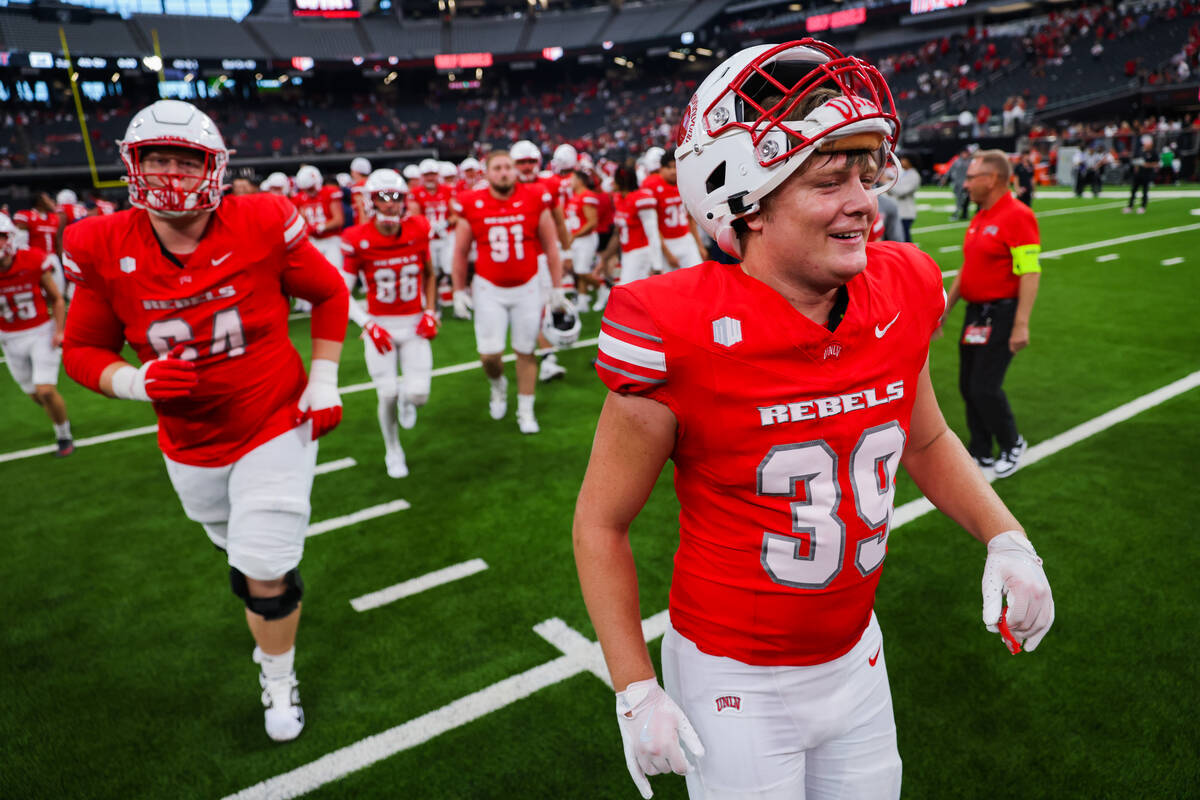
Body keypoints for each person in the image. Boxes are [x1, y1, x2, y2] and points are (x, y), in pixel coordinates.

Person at [573, 40, 1054, 800]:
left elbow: (923, 437)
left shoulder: (901, 286)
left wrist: (1006, 535)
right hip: (733, 679)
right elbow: (600, 523)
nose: (864, 201)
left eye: (866, 175)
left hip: (858, 657)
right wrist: (634, 686)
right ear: (744, 203)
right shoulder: (675, 329)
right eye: (830, 180)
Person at [60, 99, 350, 743]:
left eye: (184, 159)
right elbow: (81, 351)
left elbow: (329, 293)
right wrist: (136, 382)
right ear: (131, 166)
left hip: (275, 413)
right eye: (156, 158)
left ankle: (279, 678)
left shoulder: (263, 219)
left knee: (266, 563)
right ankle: (266, 620)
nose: (169, 173)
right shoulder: (98, 242)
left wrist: (325, 379)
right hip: (189, 441)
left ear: (213, 168)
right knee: (238, 558)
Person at [450, 150, 570, 434]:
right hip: (488, 288)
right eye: (498, 168)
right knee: (489, 356)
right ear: (487, 173)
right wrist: (457, 290)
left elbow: (551, 246)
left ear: (514, 170)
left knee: (525, 351)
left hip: (527, 286)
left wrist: (557, 287)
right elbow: (460, 251)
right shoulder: (472, 202)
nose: (504, 172)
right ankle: (498, 386)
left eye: (507, 167)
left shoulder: (534, 196)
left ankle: (525, 410)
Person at [942, 148, 1041, 477]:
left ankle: (1012, 443)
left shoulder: (1018, 214)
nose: (965, 184)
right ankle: (981, 450)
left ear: (993, 178)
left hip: (1001, 314)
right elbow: (968, 269)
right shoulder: (980, 215)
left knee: (985, 387)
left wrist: (1021, 324)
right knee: (968, 386)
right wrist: (944, 310)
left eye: (971, 177)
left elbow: (1029, 271)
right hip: (975, 315)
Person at [341, 168, 439, 478]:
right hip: (380, 323)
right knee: (386, 393)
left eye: (396, 197)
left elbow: (430, 274)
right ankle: (393, 449)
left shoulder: (419, 228)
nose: (390, 204)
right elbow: (341, 293)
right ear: (370, 202)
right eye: (382, 198)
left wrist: (431, 311)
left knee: (418, 395)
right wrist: (367, 324)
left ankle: (408, 400)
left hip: (412, 323)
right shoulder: (357, 238)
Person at [0, 213, 74, 456]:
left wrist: (59, 330)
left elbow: (56, 298)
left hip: (40, 331)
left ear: (10, 237)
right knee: (36, 395)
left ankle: (64, 436)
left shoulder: (32, 260)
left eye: (0, 237)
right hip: (9, 338)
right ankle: (60, 419)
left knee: (45, 390)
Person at [888, 154, 921, 241]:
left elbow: (900, 192)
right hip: (899, 211)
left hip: (905, 213)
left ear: (910, 161)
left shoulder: (914, 175)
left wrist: (886, 183)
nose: (901, 161)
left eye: (904, 159)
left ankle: (909, 254)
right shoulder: (903, 173)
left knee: (904, 239)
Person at [1126, 135, 1156, 213]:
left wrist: (1148, 165)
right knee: (1133, 191)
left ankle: (1143, 206)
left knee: (1145, 191)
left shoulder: (1153, 152)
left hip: (1146, 174)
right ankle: (1130, 206)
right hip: (1138, 174)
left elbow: (1157, 163)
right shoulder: (1139, 151)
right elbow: (1134, 160)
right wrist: (1136, 166)